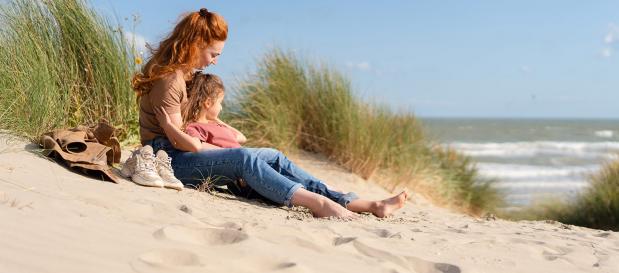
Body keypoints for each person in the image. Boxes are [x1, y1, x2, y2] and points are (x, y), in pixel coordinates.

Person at [132, 8, 407, 218]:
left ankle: (355, 202)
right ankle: (318, 204)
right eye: (213, 53)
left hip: (184, 152)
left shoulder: (184, 74)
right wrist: (216, 151)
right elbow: (180, 142)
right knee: (242, 158)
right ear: (195, 44)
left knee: (271, 155)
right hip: (170, 161)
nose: (215, 61)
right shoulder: (170, 80)